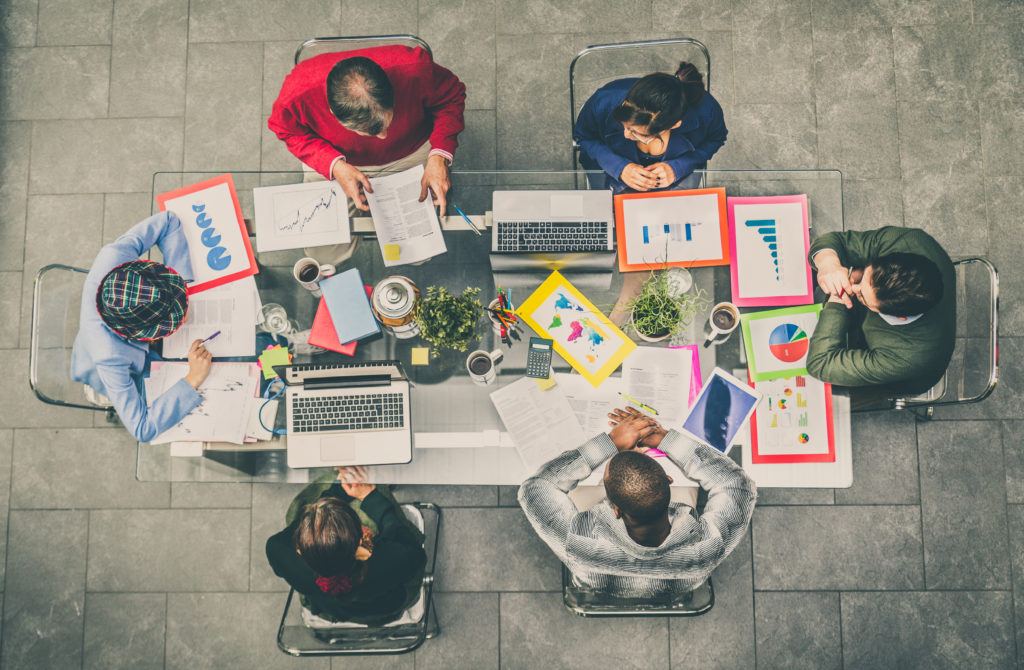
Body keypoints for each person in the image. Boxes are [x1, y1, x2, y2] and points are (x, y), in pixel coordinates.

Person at [518, 407, 756, 597]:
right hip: (674, 589)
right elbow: (737, 485)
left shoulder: (578, 544)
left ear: (615, 508)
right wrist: (665, 440)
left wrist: (609, 444)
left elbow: (535, 489)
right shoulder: (707, 549)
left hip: (602, 583)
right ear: (669, 479)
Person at [268, 45, 466, 215]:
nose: (384, 137)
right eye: (371, 132)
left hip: (411, 150)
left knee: (420, 245)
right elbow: (287, 131)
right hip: (335, 157)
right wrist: (334, 165)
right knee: (323, 251)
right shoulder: (295, 97)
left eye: (388, 122)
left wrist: (439, 155)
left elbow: (451, 96)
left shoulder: (417, 68)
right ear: (332, 112)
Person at [70, 212, 213, 442]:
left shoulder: (114, 255)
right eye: (166, 324)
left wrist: (180, 291)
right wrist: (193, 379)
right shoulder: (110, 358)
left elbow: (168, 221)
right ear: (138, 335)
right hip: (124, 376)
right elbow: (142, 429)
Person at [806, 226, 955, 398]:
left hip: (896, 375)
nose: (854, 287)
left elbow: (820, 364)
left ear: (901, 317)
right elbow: (836, 241)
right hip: (883, 335)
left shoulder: (908, 356)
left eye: (862, 295)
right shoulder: (908, 240)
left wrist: (838, 297)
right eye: (864, 276)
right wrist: (828, 263)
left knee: (825, 391)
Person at [266, 466, 427, 625]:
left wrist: (335, 495)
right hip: (385, 608)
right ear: (362, 538)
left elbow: (297, 527)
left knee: (297, 509)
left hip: (331, 610)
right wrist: (369, 496)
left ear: (299, 548)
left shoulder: (278, 550)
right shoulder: (387, 562)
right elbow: (414, 552)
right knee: (364, 480)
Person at [573, 63, 727, 193]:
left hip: (678, 177)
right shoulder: (605, 101)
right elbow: (583, 136)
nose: (626, 135)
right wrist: (619, 167)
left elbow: (716, 138)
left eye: (639, 134)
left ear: (674, 125)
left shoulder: (707, 111)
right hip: (609, 170)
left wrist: (679, 167)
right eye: (624, 126)